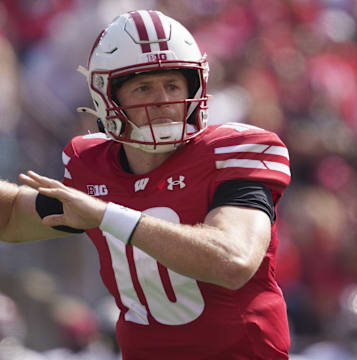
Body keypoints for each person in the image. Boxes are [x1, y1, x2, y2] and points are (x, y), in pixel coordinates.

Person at [0, 10, 291, 360]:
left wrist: (108, 215)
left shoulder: (233, 152)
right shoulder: (92, 167)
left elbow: (233, 260)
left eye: (172, 85)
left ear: (195, 86)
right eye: (143, 87)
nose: (163, 101)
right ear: (109, 97)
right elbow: (12, 217)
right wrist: (103, 211)